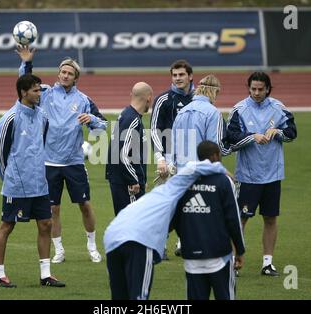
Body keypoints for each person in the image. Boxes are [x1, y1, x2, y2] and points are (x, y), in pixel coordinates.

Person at [16, 46, 107, 264]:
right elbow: (25, 84)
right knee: (52, 208)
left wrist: (92, 120)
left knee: (85, 205)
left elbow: (102, 126)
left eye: (70, 73)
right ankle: (59, 250)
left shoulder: (84, 100)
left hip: (74, 161)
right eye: (63, 72)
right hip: (48, 162)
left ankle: (92, 246)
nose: (65, 75)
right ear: (59, 74)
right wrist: (27, 62)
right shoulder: (45, 93)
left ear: (76, 78)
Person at [103, 146, 228, 300]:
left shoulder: (155, 199)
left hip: (112, 235)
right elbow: (191, 168)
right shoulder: (173, 189)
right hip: (137, 239)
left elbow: (172, 227)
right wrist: (220, 169)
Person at [0, 74, 65, 288]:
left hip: (39, 184)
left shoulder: (42, 117)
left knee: (46, 224)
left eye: (40, 90)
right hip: (16, 185)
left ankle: (46, 275)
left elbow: (39, 145)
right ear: (24, 92)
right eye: (36, 90)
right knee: (7, 226)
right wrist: (9, 177)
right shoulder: (10, 118)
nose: (40, 94)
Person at [226, 71, 297, 276]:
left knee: (271, 218)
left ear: (268, 89)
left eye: (260, 89)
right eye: (253, 89)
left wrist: (279, 133)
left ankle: (267, 263)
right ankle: (233, 261)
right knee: (241, 219)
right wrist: (252, 137)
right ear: (249, 88)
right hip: (248, 176)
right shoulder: (239, 110)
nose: (256, 93)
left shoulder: (279, 108)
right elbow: (230, 138)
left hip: (273, 175)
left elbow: (292, 133)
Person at [173, 141, 245, 300]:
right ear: (214, 156)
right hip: (218, 255)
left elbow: (175, 218)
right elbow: (233, 219)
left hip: (192, 256)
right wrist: (239, 250)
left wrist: (186, 239)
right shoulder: (224, 181)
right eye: (219, 154)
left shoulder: (184, 182)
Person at [171, 74, 231, 256]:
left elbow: (173, 142)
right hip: (203, 170)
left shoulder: (182, 112)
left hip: (182, 169)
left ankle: (183, 241)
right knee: (206, 211)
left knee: (188, 207)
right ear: (215, 92)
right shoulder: (213, 113)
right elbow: (214, 147)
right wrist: (232, 148)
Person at [105, 82, 153, 216]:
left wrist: (142, 179)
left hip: (124, 180)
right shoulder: (132, 120)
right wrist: (134, 179)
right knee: (131, 223)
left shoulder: (127, 115)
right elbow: (122, 154)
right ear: (149, 98)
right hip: (127, 183)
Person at [151, 59, 194, 181]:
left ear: (190, 76)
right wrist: (160, 158)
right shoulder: (163, 100)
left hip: (195, 156)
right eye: (174, 75)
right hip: (170, 158)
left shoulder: (199, 99)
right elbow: (155, 131)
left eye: (181, 74)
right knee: (169, 198)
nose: (177, 78)